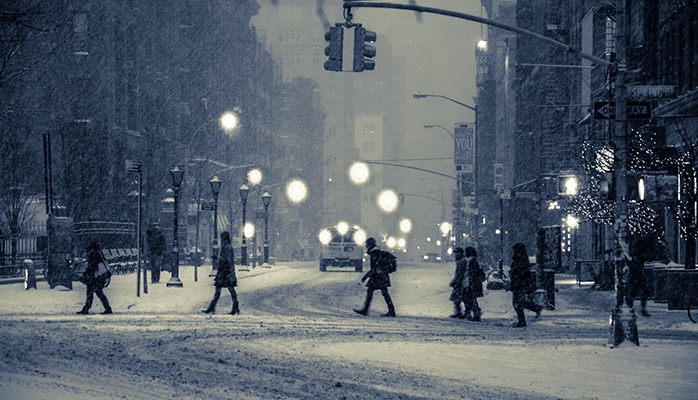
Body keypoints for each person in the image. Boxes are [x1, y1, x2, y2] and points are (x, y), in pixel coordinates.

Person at [353, 237, 396, 317]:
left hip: (378, 277)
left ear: (369, 245)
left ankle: (366, 310)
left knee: (374, 292)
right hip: (381, 276)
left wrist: (366, 276)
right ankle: (391, 310)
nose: (366, 246)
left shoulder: (375, 254)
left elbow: (375, 268)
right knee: (383, 292)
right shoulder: (376, 252)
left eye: (367, 244)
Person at [203, 231, 239, 315]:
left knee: (222, 289)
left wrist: (217, 258)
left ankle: (213, 307)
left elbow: (226, 260)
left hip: (225, 271)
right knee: (228, 289)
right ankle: (235, 306)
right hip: (226, 271)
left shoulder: (227, 248)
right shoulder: (227, 247)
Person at [509, 242, 542, 327]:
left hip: (519, 283)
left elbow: (519, 271)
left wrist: (514, 276)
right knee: (519, 302)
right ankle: (534, 308)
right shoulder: (522, 258)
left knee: (517, 303)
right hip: (520, 283)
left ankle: (522, 320)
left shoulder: (519, 258)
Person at [77, 242, 113, 315]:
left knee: (94, 293)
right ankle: (105, 308)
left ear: (93, 250)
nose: (88, 252)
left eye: (89, 250)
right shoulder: (98, 255)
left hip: (96, 278)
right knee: (95, 293)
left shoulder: (95, 256)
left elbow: (91, 267)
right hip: (98, 278)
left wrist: (85, 274)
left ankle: (88, 308)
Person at [462, 247, 485, 321]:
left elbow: (471, 273)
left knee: (470, 298)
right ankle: (474, 312)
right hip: (471, 283)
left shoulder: (471, 261)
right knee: (470, 298)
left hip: (470, 283)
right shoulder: (473, 261)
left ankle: (474, 313)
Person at [448, 247, 467, 319]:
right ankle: (460, 312)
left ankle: (459, 312)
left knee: (458, 298)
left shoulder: (462, 262)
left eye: (457, 253)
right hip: (461, 282)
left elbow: (460, 274)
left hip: (461, 283)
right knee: (459, 298)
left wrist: (455, 281)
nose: (455, 255)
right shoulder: (460, 261)